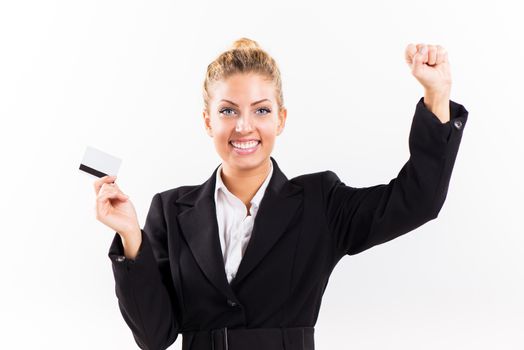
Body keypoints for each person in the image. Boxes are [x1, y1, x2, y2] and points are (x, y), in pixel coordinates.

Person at [94, 38, 468, 350]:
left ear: (281, 119)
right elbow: (154, 336)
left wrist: (437, 96)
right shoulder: (171, 209)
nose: (244, 126)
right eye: (228, 111)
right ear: (208, 121)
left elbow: (417, 200)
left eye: (261, 110)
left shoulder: (320, 202)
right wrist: (130, 238)